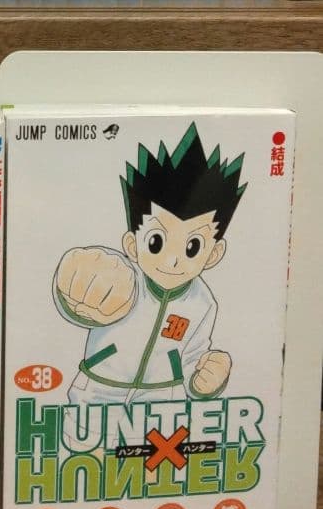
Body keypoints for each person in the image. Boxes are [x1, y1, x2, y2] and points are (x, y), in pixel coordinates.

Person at [55, 123, 245, 426]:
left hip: (162, 400)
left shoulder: (203, 303)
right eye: (156, 241)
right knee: (80, 449)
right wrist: (76, 285)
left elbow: (192, 356)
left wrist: (206, 380)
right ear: (132, 244)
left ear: (213, 253)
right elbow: (85, 303)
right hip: (98, 389)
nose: (172, 259)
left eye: (192, 246)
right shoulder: (122, 277)